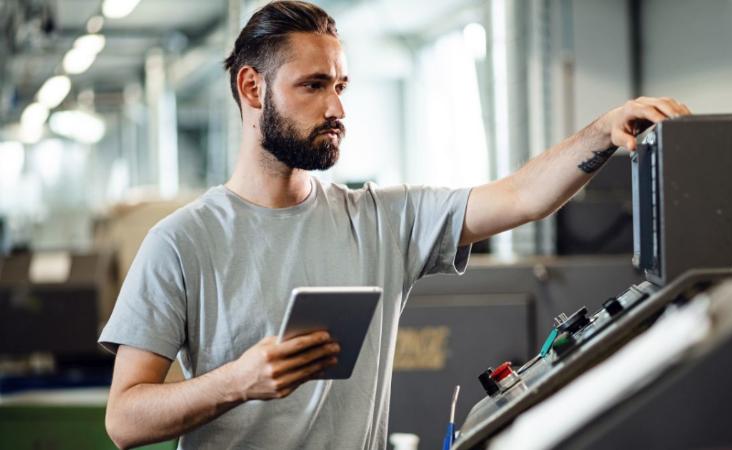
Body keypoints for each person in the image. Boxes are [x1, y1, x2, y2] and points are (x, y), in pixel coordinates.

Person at [99, 1, 691, 449]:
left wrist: (604, 130)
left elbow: (520, 197)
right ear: (252, 88)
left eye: (340, 85)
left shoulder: (383, 218)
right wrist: (238, 381)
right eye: (313, 85)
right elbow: (124, 419)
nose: (337, 109)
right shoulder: (180, 242)